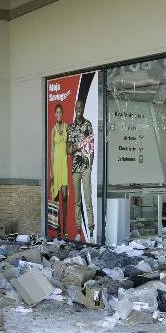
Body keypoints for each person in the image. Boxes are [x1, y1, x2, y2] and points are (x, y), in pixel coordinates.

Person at [67, 98, 95, 240]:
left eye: (81, 107)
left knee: (88, 199)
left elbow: (92, 147)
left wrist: (90, 165)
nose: (79, 109)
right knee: (77, 199)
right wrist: (76, 147)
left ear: (83, 108)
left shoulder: (88, 125)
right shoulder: (71, 127)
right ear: (75, 108)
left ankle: (91, 228)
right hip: (75, 168)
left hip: (85, 168)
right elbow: (68, 149)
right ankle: (79, 229)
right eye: (77, 107)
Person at [49, 103, 69, 236]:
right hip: (56, 164)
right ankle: (58, 228)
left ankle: (65, 227)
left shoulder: (67, 126)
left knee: (65, 197)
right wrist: (51, 170)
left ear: (62, 113)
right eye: (56, 112)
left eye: (60, 112)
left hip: (64, 163)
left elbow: (69, 145)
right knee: (56, 198)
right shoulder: (53, 130)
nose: (58, 114)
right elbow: (51, 151)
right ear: (54, 114)